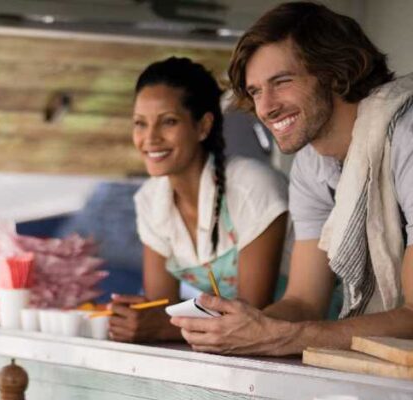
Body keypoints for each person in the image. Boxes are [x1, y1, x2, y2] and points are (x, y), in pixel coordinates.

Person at [170, 1, 413, 355]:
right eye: (255, 92)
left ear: (334, 71)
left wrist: (278, 337)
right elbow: (303, 302)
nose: (265, 107)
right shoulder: (312, 164)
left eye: (281, 82)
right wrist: (240, 329)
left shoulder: (406, 134)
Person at [110, 57, 289, 344]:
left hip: (305, 343)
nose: (150, 138)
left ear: (203, 126)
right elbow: (159, 307)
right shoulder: (151, 200)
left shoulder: (252, 186)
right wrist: (135, 318)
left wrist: (164, 326)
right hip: (235, 350)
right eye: (140, 124)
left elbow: (253, 316)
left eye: (168, 121)